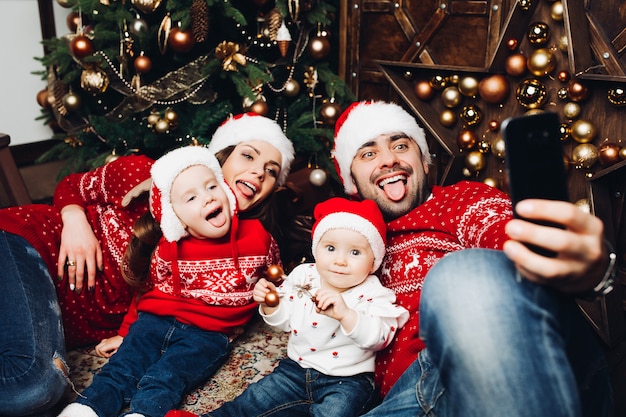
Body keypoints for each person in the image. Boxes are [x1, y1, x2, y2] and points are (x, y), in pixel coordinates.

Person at [328, 100, 614, 417]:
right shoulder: (346, 237)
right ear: (352, 182)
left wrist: (563, 257)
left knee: (461, 274)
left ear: (423, 161)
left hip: (493, 361)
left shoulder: (460, 201)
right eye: (368, 153)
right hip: (401, 399)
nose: (389, 160)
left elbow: (498, 227)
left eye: (400, 144)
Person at [0, 112, 295, 416]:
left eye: (271, 171)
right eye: (248, 155)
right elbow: (72, 186)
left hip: (54, 312)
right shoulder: (144, 174)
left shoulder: (249, 246)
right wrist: (74, 221)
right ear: (219, 158)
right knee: (32, 387)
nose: (259, 172)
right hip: (26, 246)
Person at [57, 146, 282, 417]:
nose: (207, 199)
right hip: (155, 320)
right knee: (122, 366)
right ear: (177, 219)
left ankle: (143, 413)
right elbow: (146, 289)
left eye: (212, 187)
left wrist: (272, 293)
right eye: (191, 198)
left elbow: (276, 277)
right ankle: (86, 408)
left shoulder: (259, 238)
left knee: (167, 377)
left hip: (208, 334)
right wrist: (126, 332)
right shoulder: (167, 247)